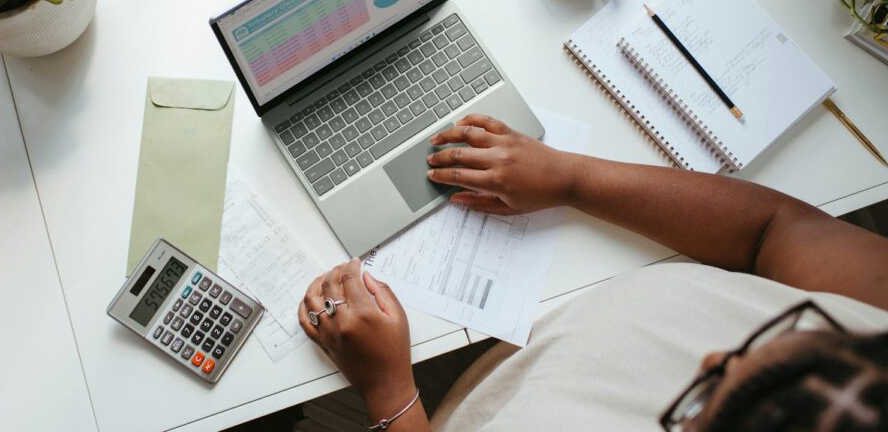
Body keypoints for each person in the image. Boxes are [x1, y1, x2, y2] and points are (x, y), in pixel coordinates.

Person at [298, 114, 888, 431]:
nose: (711, 358)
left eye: (700, 403)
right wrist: (569, 179)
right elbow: (774, 228)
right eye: (787, 331)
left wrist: (390, 392)